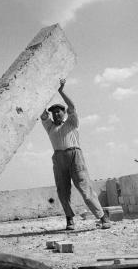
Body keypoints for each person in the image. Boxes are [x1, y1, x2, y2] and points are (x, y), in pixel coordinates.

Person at [40, 79, 111, 230]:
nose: (55, 114)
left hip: (75, 156)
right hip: (58, 159)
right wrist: (43, 91)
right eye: (53, 112)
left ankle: (103, 217)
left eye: (58, 111)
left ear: (64, 112)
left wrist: (61, 91)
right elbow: (41, 112)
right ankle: (70, 219)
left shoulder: (71, 122)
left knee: (85, 190)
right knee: (62, 191)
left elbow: (72, 106)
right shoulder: (49, 127)